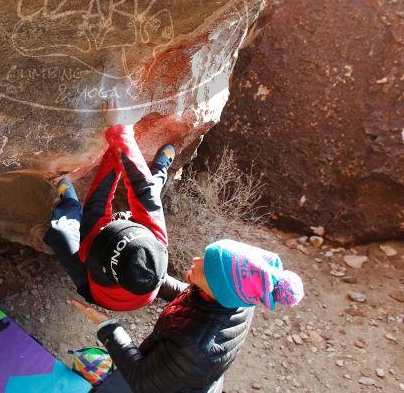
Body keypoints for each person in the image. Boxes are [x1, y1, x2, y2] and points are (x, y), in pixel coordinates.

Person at [72, 239, 305, 393]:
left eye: (205, 268)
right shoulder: (239, 298)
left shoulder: (196, 347)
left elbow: (141, 381)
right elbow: (189, 294)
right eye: (204, 257)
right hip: (189, 375)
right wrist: (152, 279)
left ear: (218, 289)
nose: (196, 261)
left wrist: (109, 327)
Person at [43, 98, 184, 311]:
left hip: (98, 292)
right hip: (149, 282)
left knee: (61, 232)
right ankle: (161, 168)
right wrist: (118, 136)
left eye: (115, 223)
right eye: (124, 220)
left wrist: (116, 148)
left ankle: (69, 201)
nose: (119, 216)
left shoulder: (89, 254)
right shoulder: (157, 243)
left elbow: (98, 201)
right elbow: (142, 188)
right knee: (151, 194)